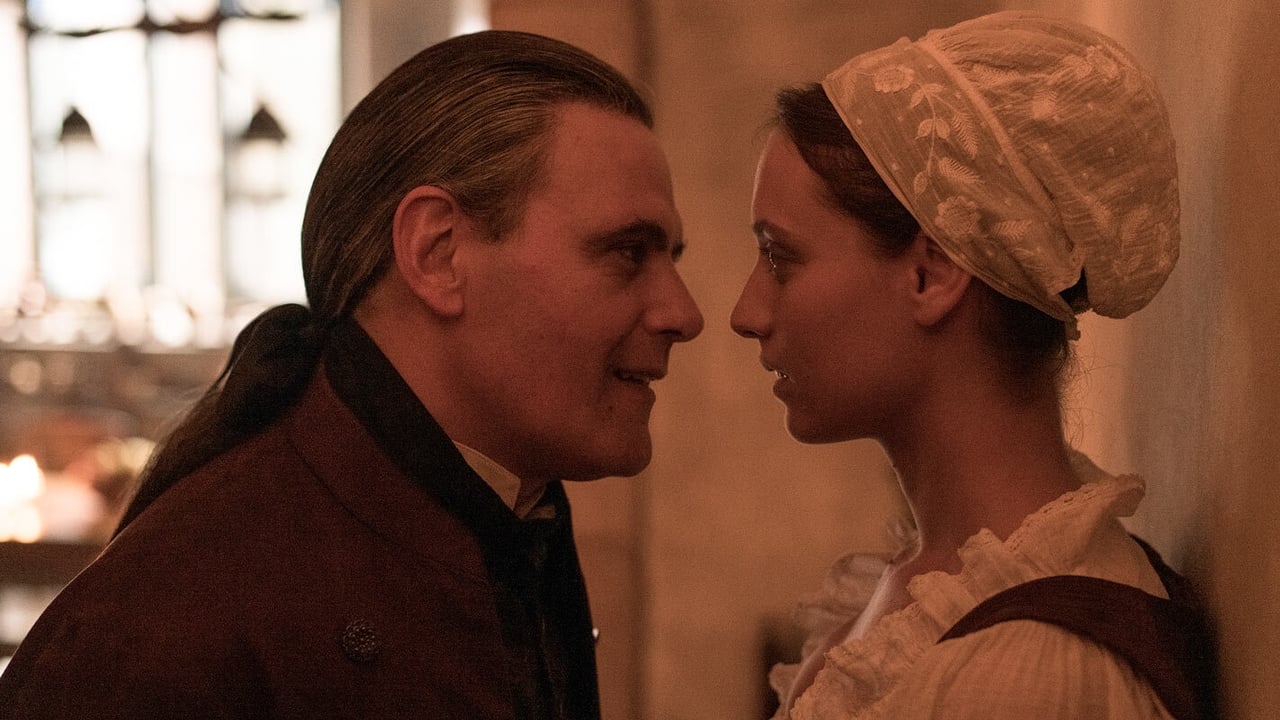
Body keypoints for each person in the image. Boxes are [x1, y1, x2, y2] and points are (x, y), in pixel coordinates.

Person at [0, 30, 702, 719]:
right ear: (437, 253)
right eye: (627, 252)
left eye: (670, 257)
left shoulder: (508, 521)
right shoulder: (162, 632)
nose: (684, 313)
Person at [731, 11, 1213, 720]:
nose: (746, 312)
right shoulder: (950, 590)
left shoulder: (1024, 677)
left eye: (780, 258)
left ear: (931, 275)